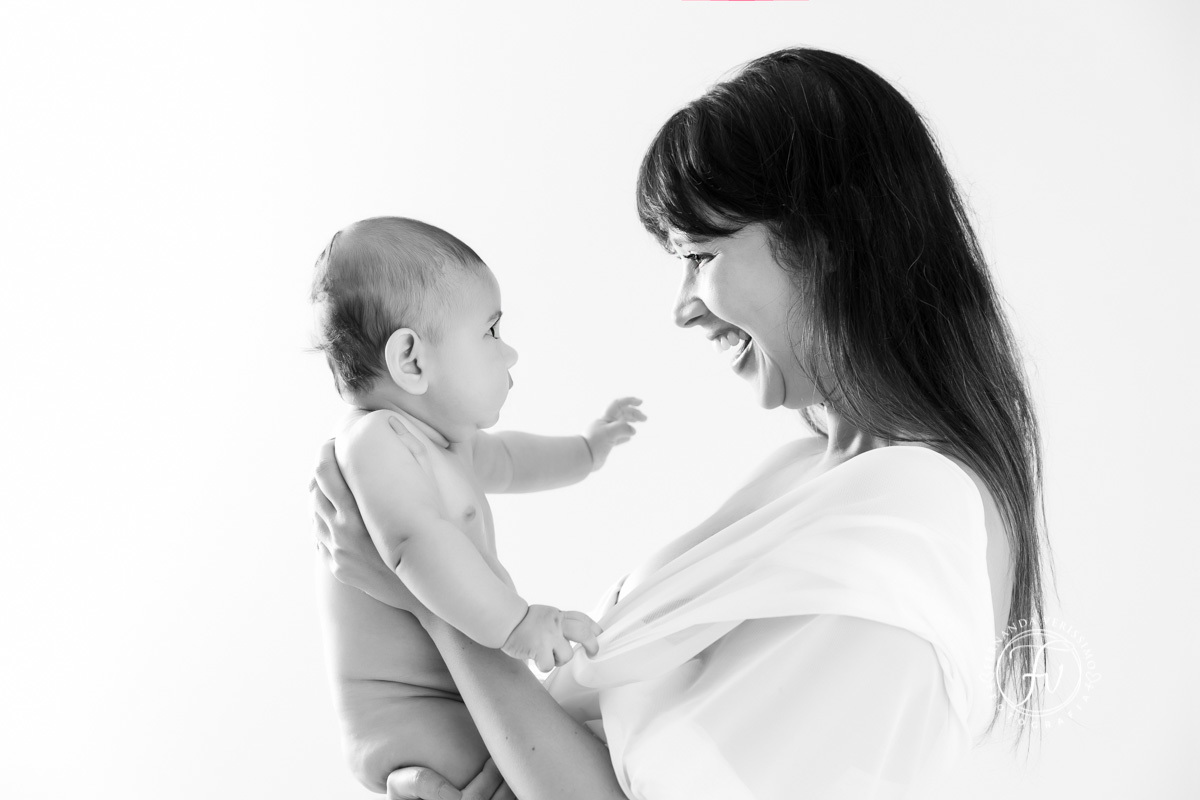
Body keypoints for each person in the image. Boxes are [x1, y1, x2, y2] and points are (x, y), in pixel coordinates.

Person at [310, 47, 1055, 799]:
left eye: (700, 254)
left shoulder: (913, 513)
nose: (682, 307)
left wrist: (435, 610)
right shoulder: (815, 474)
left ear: (827, 243)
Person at [310, 216, 644, 793]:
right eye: (490, 331)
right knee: (532, 769)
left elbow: (512, 461)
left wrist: (588, 450)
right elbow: (413, 546)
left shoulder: (444, 441)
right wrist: (517, 623)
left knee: (545, 748)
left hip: (451, 690)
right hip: (406, 714)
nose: (509, 353)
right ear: (412, 360)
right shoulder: (375, 444)